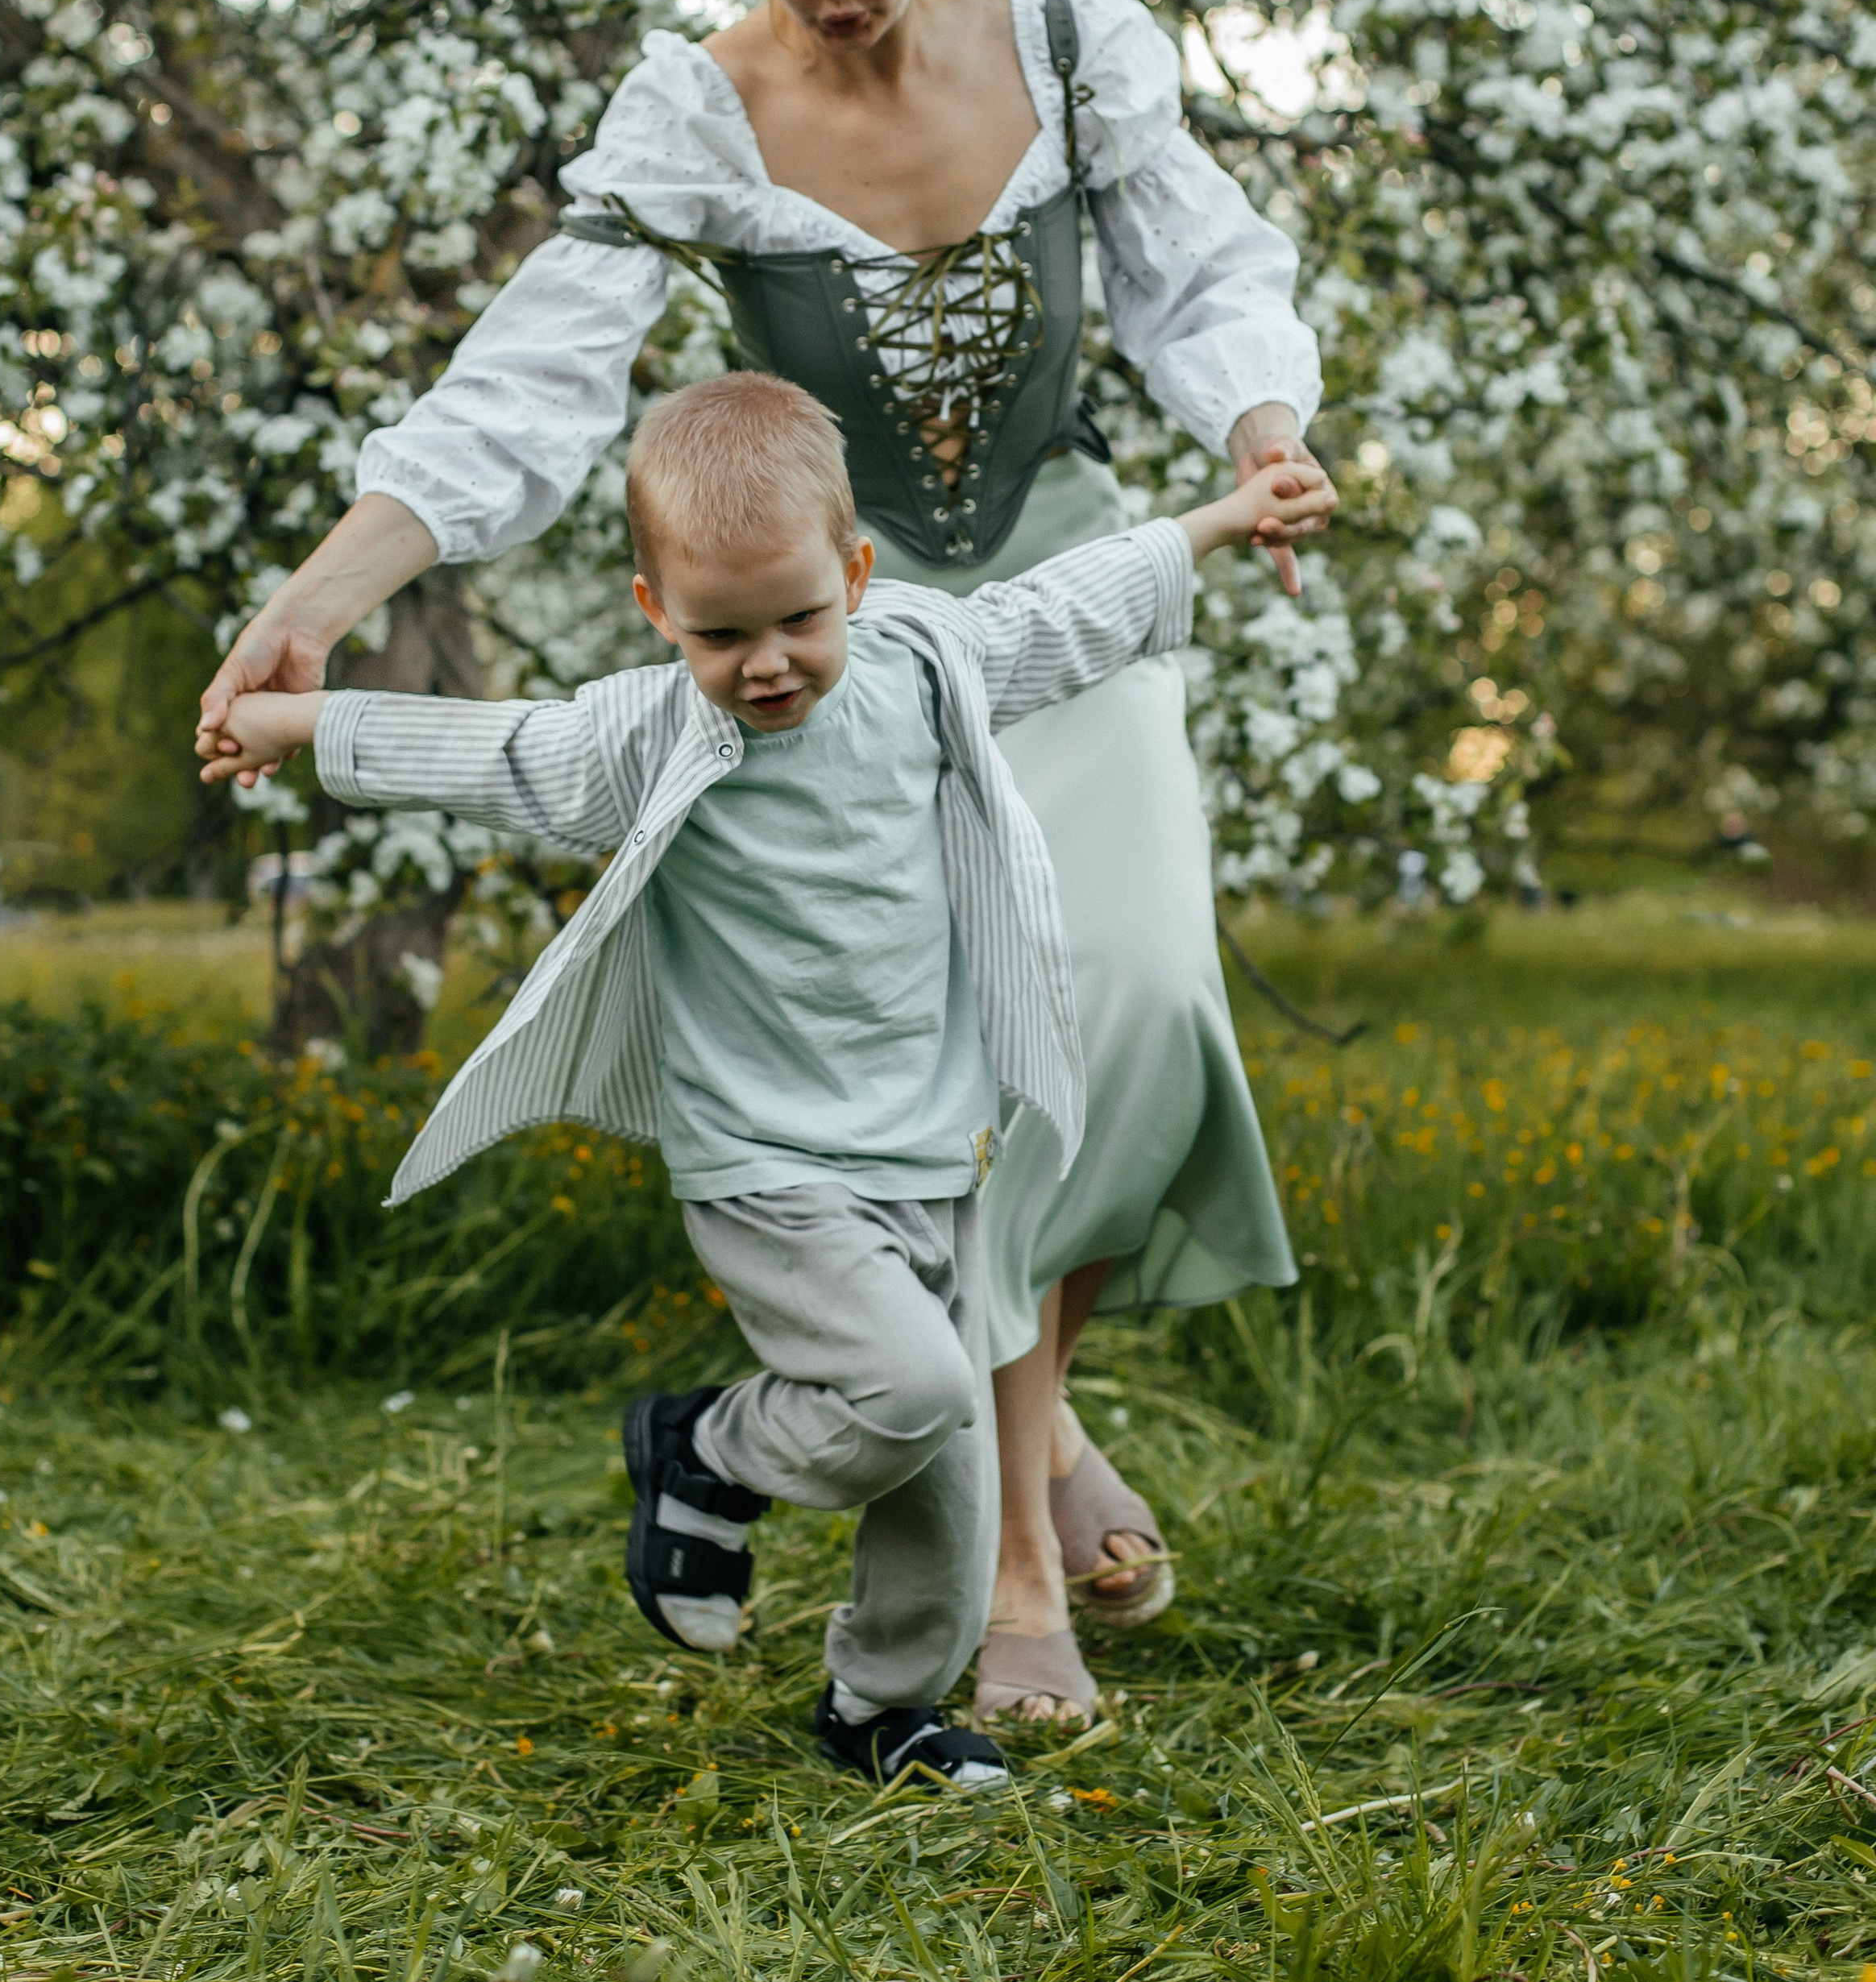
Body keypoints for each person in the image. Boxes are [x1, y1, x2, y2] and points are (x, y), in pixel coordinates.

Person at [197, 0, 1331, 1725]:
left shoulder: (1069, 42)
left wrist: (1257, 436)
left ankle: (1036, 1423)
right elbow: (531, 384)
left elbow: (1194, 276)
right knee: (935, 1024)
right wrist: (317, 598)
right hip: (834, 633)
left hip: (1051, 582)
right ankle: (1002, 1558)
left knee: (1132, 986)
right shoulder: (700, 110)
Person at [197, 374, 1336, 1789]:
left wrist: (1225, 517)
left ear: (857, 574)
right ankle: (704, 1447)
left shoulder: (926, 657)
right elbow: (482, 749)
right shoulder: (646, 732)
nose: (771, 662)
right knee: (916, 1384)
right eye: (721, 632)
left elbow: (1074, 604)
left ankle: (886, 1703)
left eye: (801, 617)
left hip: (934, 1149)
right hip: (769, 1164)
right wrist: (295, 730)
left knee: (951, 1478)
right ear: (653, 610)